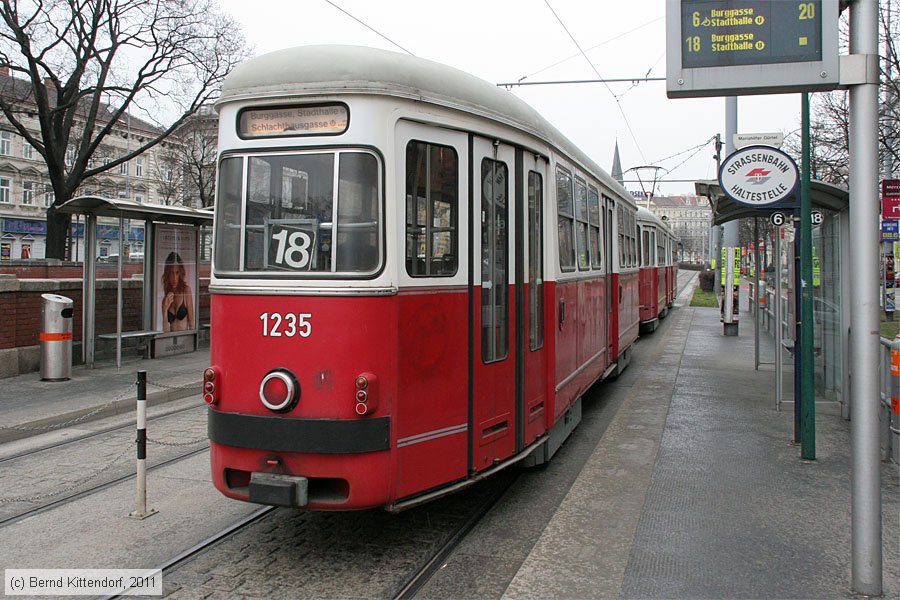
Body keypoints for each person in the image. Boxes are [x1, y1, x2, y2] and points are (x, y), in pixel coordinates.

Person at [161, 251, 195, 332]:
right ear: (167, 275)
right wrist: (165, 309)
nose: (174, 278)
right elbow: (165, 331)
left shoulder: (186, 291)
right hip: (170, 339)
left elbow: (191, 321)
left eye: (177, 273)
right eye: (171, 274)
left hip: (184, 339)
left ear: (180, 273)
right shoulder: (166, 299)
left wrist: (192, 339)